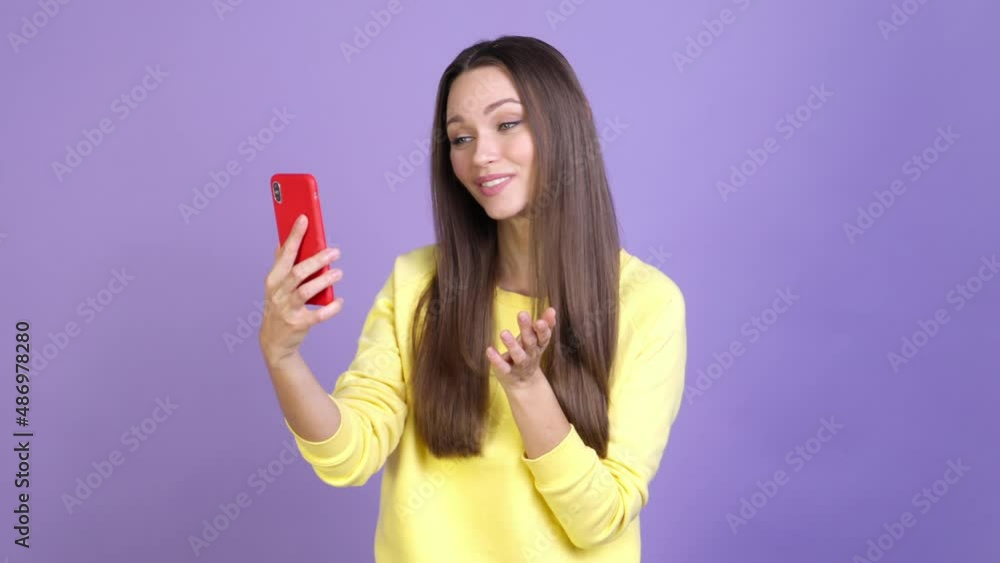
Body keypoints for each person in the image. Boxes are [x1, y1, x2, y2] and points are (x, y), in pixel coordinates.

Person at [258, 35, 687, 563]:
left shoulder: (647, 303)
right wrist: (282, 357)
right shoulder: (416, 281)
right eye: (460, 138)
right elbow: (349, 456)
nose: (480, 155)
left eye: (507, 124)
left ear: (568, 123)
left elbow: (600, 521)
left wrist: (528, 390)